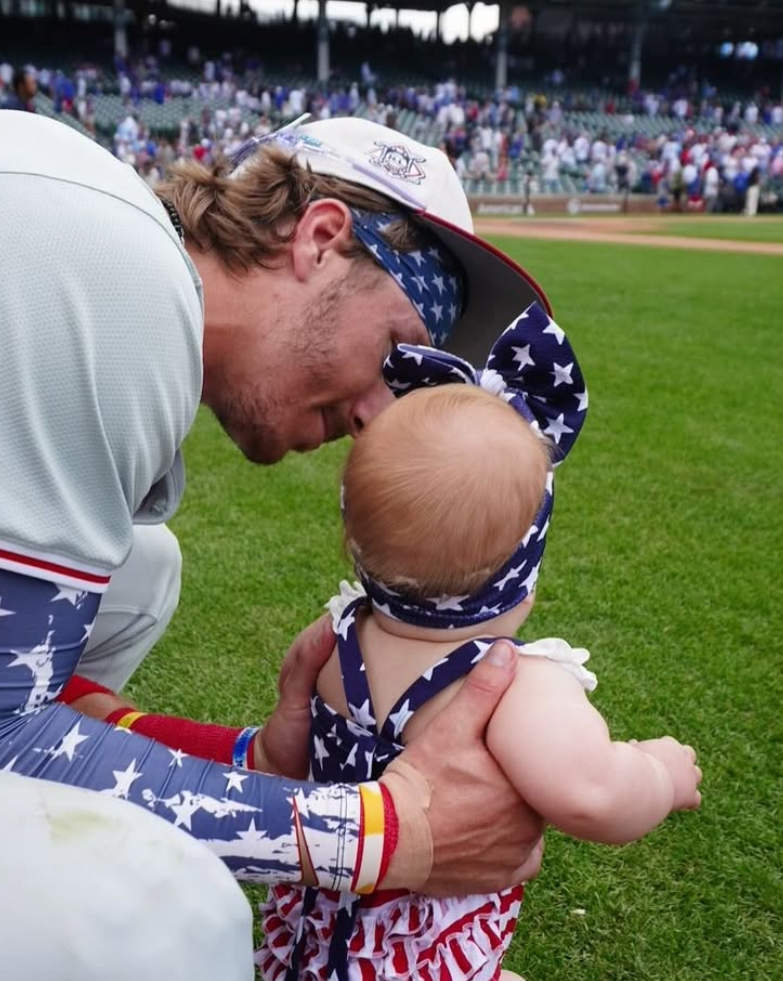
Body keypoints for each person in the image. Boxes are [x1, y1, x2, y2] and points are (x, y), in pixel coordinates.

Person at [0, 113, 548, 979]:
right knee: (168, 914)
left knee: (137, 571)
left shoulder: (100, 235)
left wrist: (254, 764)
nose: (375, 418)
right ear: (319, 239)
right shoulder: (99, 261)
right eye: (396, 351)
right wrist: (383, 834)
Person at [247, 310, 699, 980]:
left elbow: (282, 755)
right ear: (522, 573)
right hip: (412, 955)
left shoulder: (333, 642)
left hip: (320, 926)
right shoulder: (515, 684)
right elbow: (590, 794)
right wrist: (659, 773)